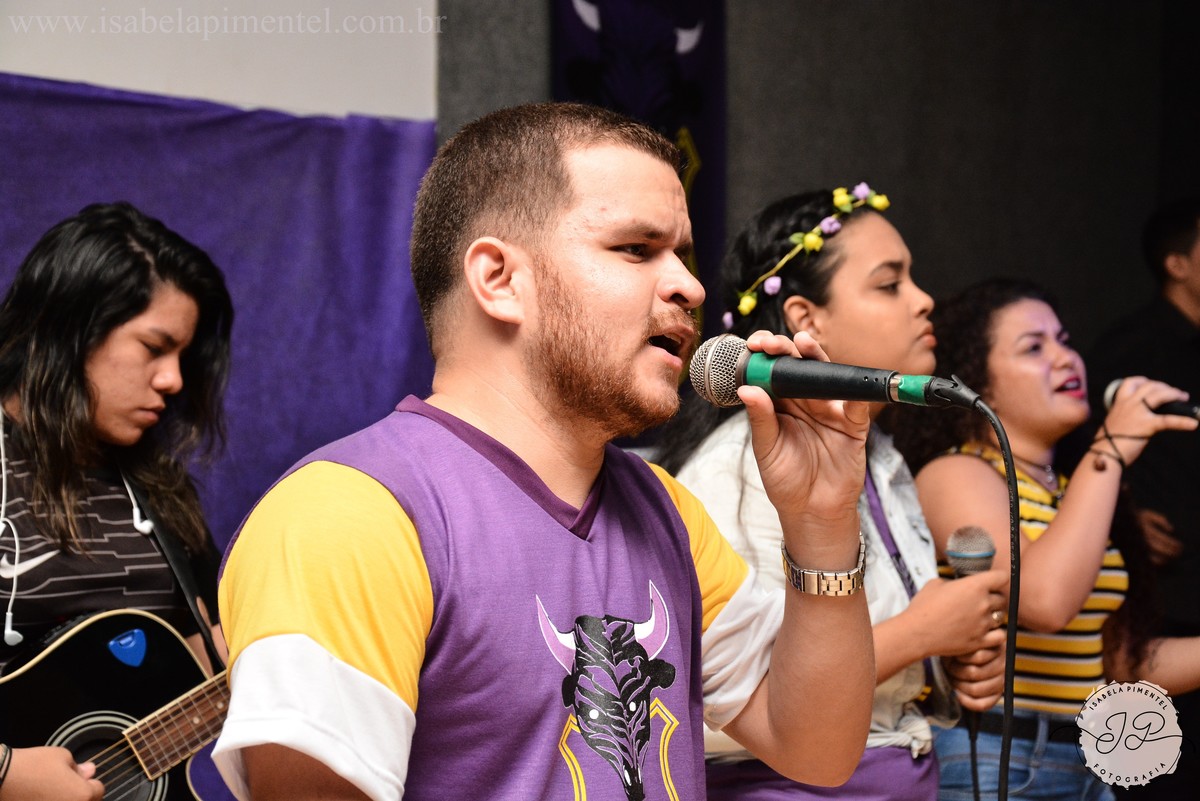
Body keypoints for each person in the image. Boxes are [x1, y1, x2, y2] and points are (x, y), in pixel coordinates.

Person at [211, 102, 876, 801]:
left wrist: (822, 522)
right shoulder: (345, 515)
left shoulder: (666, 509)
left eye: (681, 254)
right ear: (499, 280)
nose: (691, 286)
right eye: (635, 248)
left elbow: (817, 747)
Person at [654, 187, 1008, 800]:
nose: (925, 300)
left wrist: (945, 664)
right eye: (889, 284)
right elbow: (724, 699)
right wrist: (920, 633)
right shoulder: (743, 467)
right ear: (805, 318)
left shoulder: (881, 457)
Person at [892, 277, 1197, 801]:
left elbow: (1116, 663)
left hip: (1086, 760)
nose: (1065, 358)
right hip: (998, 758)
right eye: (1034, 347)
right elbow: (1044, 600)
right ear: (980, 382)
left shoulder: (1079, 493)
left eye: (1064, 340)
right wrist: (1111, 450)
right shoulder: (956, 474)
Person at [0, 201, 234, 801]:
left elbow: (210, 657)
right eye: (154, 347)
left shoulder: (156, 490)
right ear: (69, 328)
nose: (174, 380)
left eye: (182, 357)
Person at [1085, 196, 1200, 800]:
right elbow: (1075, 449)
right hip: (1159, 602)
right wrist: (1120, 516)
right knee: (1157, 777)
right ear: (1177, 265)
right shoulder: (1132, 349)